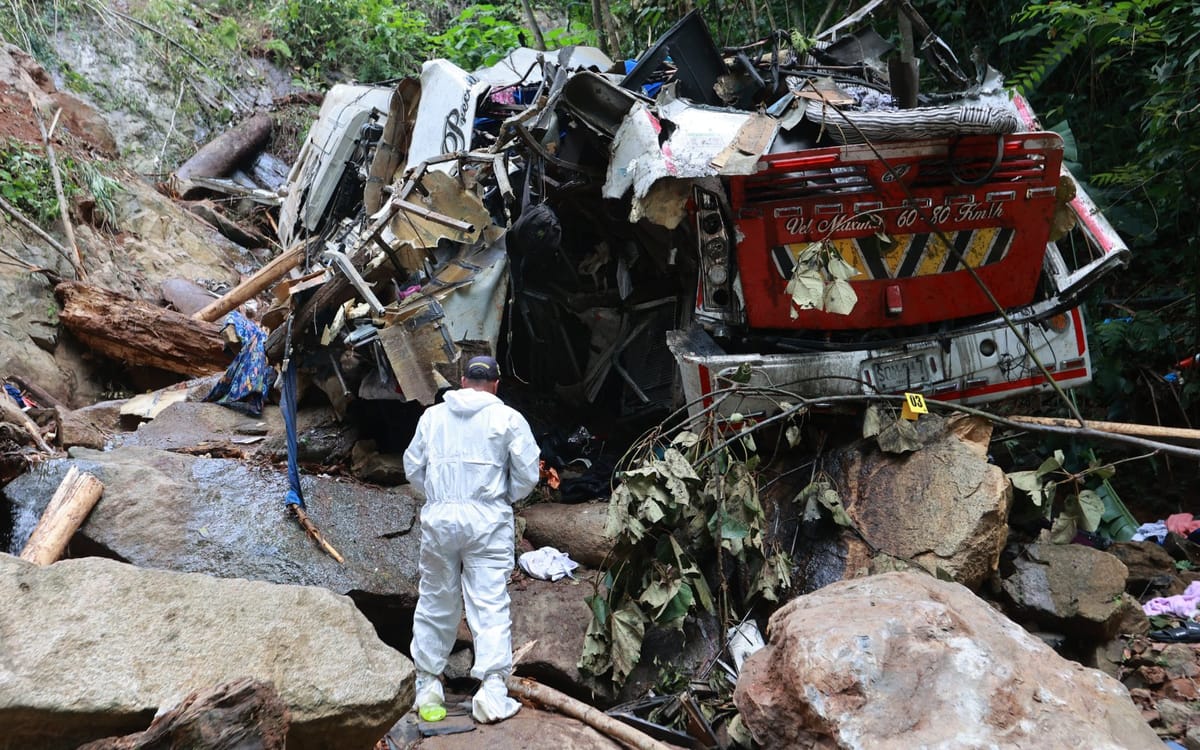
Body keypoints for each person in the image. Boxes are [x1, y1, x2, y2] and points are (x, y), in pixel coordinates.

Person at [403, 354, 541, 723]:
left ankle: (428, 684)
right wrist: (500, 498)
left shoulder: (432, 417)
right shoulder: (508, 419)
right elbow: (528, 475)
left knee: (435, 599)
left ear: (461, 381)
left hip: (441, 518)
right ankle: (492, 691)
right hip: (487, 521)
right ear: (496, 385)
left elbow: (413, 468)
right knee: (489, 602)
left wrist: (440, 496)